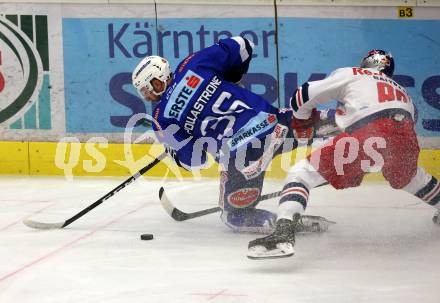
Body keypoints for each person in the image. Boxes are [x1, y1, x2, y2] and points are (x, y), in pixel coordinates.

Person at [247, 50, 440, 260]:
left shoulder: (352, 73)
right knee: (411, 178)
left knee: (302, 173)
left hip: (368, 133)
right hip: (405, 136)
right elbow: (393, 128)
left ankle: (283, 234)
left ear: (365, 63)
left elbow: (303, 94)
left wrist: (301, 119)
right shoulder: (402, 91)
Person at [131, 37, 336, 234]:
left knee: (234, 216)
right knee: (307, 119)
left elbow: (196, 160)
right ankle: (357, 120)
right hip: (270, 124)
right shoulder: (193, 63)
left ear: (158, 80)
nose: (148, 96)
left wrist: (173, 150)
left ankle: (287, 223)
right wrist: (231, 77)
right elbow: (243, 45)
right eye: (143, 93)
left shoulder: (161, 117)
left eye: (148, 89)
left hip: (241, 155)